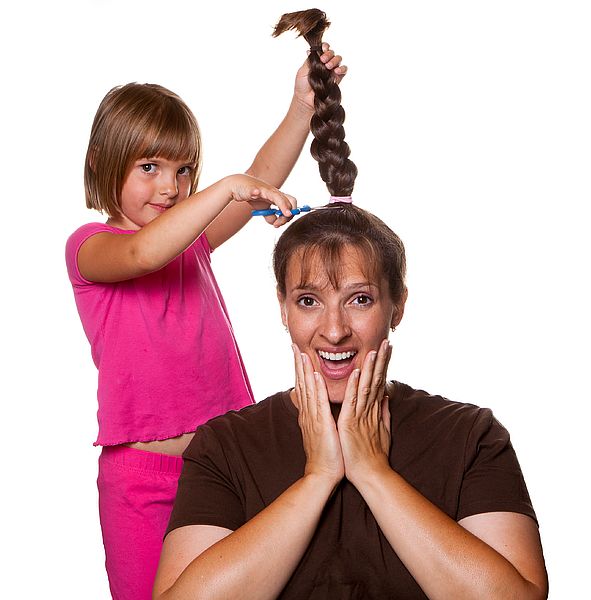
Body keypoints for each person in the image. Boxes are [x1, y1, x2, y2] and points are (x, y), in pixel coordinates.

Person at [153, 9, 549, 600]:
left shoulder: (470, 436)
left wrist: (372, 470)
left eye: (359, 299)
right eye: (309, 300)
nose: (333, 331)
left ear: (398, 306)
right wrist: (318, 478)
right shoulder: (225, 447)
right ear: (283, 309)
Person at [65, 24, 347, 599]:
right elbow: (145, 252)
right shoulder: (91, 247)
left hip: (225, 468)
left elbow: (261, 180)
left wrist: (300, 108)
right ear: (103, 161)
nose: (170, 187)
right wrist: (221, 190)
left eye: (183, 169)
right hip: (142, 484)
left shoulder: (190, 242)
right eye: (150, 167)